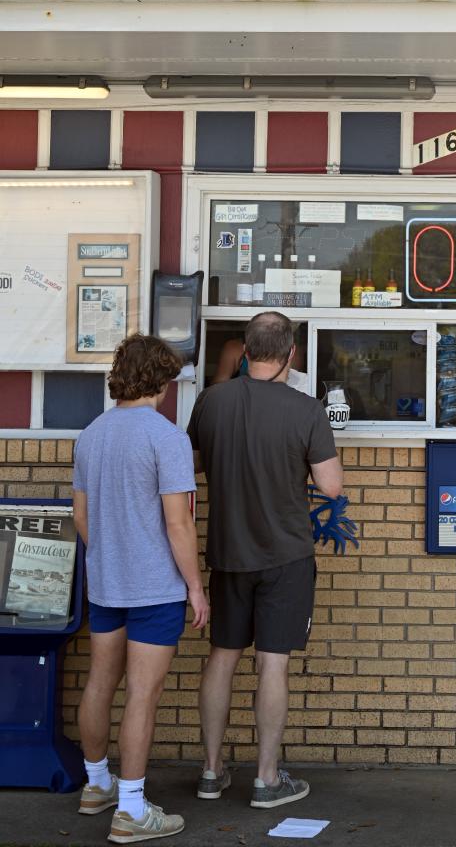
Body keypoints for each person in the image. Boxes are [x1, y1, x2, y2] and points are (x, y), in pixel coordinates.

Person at [187, 311, 343, 810]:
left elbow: (190, 466)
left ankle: (211, 772)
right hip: (286, 555)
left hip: (227, 552)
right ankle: (266, 779)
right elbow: (331, 487)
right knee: (273, 664)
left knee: (223, 657)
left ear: (244, 351)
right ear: (291, 354)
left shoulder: (209, 402)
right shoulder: (305, 409)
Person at [73, 334, 207, 844]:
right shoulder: (167, 438)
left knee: (99, 685)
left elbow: (82, 517)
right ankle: (130, 810)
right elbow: (179, 525)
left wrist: (111, 553)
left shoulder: (91, 435)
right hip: (155, 587)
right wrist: (195, 586)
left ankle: (96, 786)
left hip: (107, 583)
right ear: (165, 381)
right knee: (142, 698)